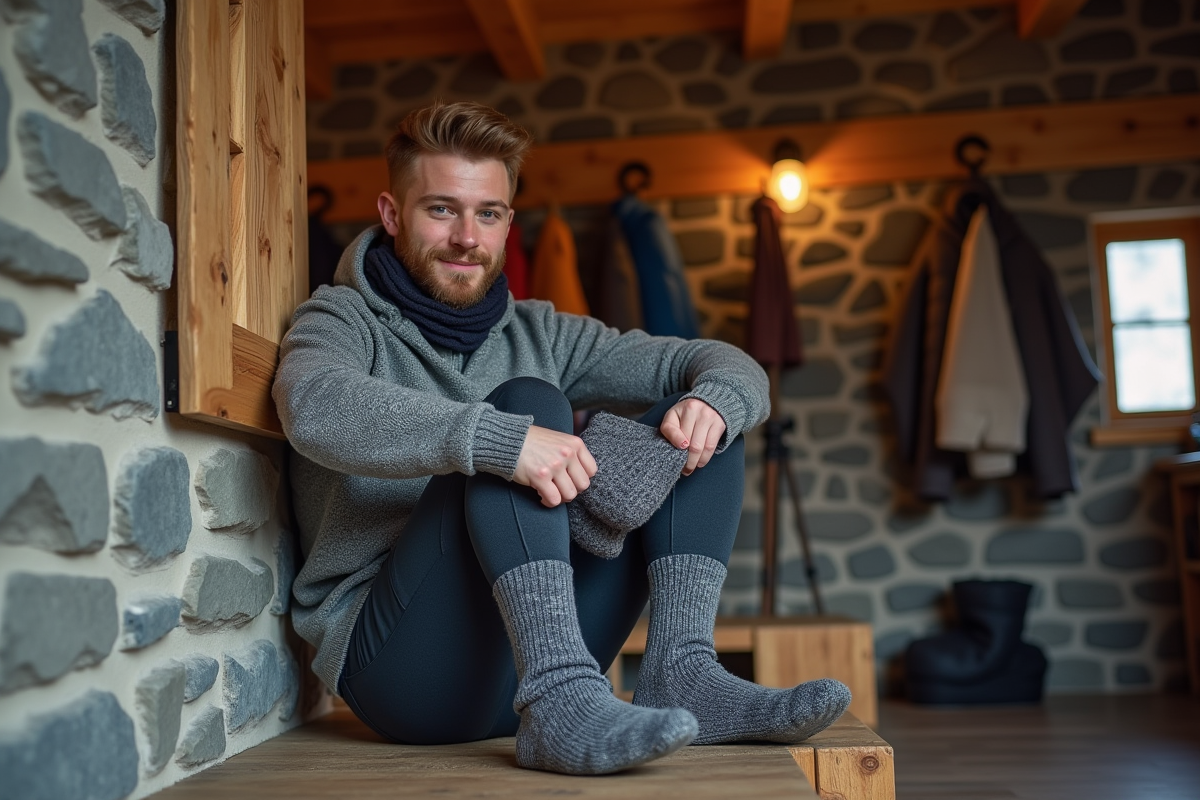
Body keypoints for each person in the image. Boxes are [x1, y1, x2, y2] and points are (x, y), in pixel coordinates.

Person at [273, 101, 851, 776]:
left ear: (507, 223)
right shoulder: (340, 319)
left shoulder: (542, 332)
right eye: (441, 210)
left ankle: (680, 667)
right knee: (528, 405)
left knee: (699, 416)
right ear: (392, 214)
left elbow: (720, 360)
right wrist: (497, 438)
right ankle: (558, 694)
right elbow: (311, 403)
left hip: (526, 670)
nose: (467, 236)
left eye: (487, 213)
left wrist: (718, 400)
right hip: (403, 675)